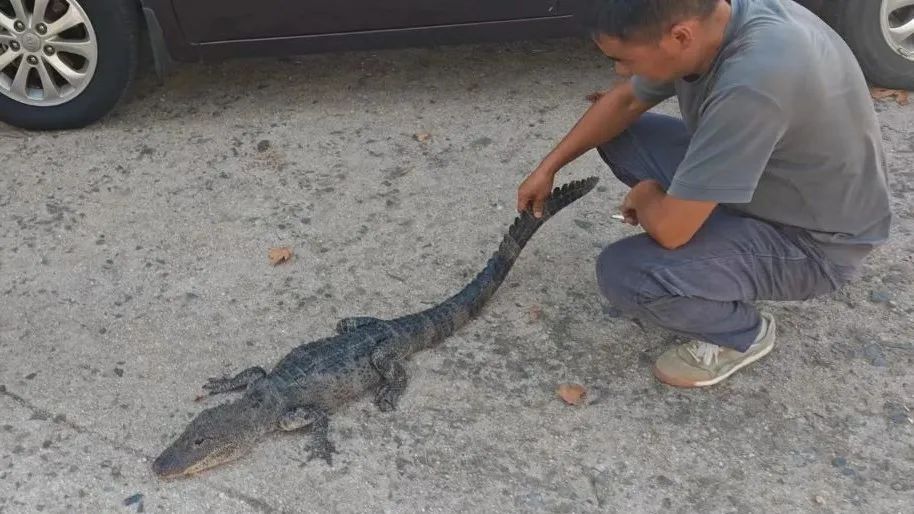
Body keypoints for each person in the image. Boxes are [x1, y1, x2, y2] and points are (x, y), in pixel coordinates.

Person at [516, 0, 892, 388]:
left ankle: (743, 335)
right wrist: (548, 167)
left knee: (627, 274)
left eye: (623, 59)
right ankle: (711, 242)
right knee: (620, 135)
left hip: (814, 243)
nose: (620, 71)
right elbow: (626, 100)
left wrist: (647, 195)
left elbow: (671, 231)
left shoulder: (753, 83)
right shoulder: (715, 19)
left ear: (680, 37)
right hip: (773, 180)